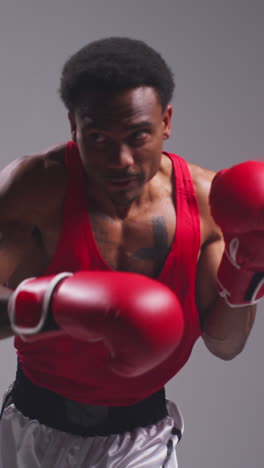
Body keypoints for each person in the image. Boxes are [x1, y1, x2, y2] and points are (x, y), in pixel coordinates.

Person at [0, 36, 263, 468]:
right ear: (73, 126)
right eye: (98, 136)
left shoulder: (207, 204)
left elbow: (225, 343)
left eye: (138, 134)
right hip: (30, 431)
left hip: (138, 443)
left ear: (166, 122)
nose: (120, 159)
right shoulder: (34, 191)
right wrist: (56, 305)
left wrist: (249, 269)